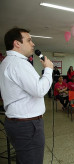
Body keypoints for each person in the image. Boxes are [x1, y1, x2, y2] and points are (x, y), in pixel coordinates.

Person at [0, 27, 53, 164]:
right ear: (17, 43)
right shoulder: (19, 63)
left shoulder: (7, 62)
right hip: (27, 126)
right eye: (29, 40)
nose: (33, 44)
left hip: (18, 123)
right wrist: (48, 70)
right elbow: (39, 90)